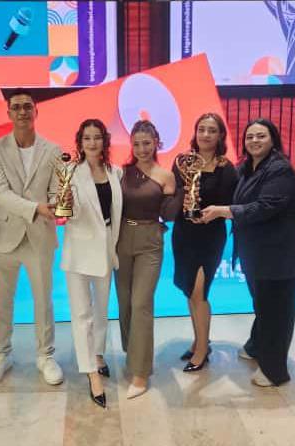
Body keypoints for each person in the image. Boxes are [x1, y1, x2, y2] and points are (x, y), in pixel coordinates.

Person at [201, 118, 295, 387]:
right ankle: (257, 346)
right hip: (255, 252)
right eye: (250, 137)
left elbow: (265, 206)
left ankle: (274, 371)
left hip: (278, 252)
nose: (254, 141)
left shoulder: (280, 169)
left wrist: (224, 211)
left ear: (273, 139)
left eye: (261, 136)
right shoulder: (246, 167)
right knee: (262, 303)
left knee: (276, 311)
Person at [0, 88, 64, 388]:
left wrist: (58, 204)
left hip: (40, 236)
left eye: (27, 106)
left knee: (44, 299)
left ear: (36, 111)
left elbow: (57, 190)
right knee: (2, 301)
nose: (22, 112)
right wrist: (36, 208)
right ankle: (1, 354)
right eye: (16, 107)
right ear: (8, 113)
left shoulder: (53, 150)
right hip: (4, 234)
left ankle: (45, 355)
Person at [60, 119, 123, 408]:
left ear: (104, 141)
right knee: (82, 314)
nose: (93, 142)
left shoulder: (114, 172)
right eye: (87, 138)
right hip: (78, 251)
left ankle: (97, 353)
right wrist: (66, 203)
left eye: (97, 137)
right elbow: (65, 215)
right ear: (80, 142)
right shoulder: (69, 172)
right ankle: (90, 373)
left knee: (101, 310)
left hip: (106, 248)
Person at [115, 120, 178, 399]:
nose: (142, 149)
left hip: (150, 242)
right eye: (137, 144)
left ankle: (140, 372)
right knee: (125, 303)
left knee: (141, 303)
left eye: (147, 143)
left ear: (157, 143)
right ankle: (133, 353)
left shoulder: (166, 176)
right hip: (121, 240)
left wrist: (182, 195)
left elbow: (170, 213)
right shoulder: (122, 173)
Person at [171, 113, 237, 373]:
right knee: (190, 290)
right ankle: (199, 341)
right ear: (195, 132)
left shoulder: (226, 168)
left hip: (210, 237)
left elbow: (232, 205)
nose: (206, 135)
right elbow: (174, 196)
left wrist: (214, 213)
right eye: (201, 129)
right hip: (183, 234)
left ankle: (201, 351)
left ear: (220, 135)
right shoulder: (183, 162)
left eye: (212, 130)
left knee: (199, 292)